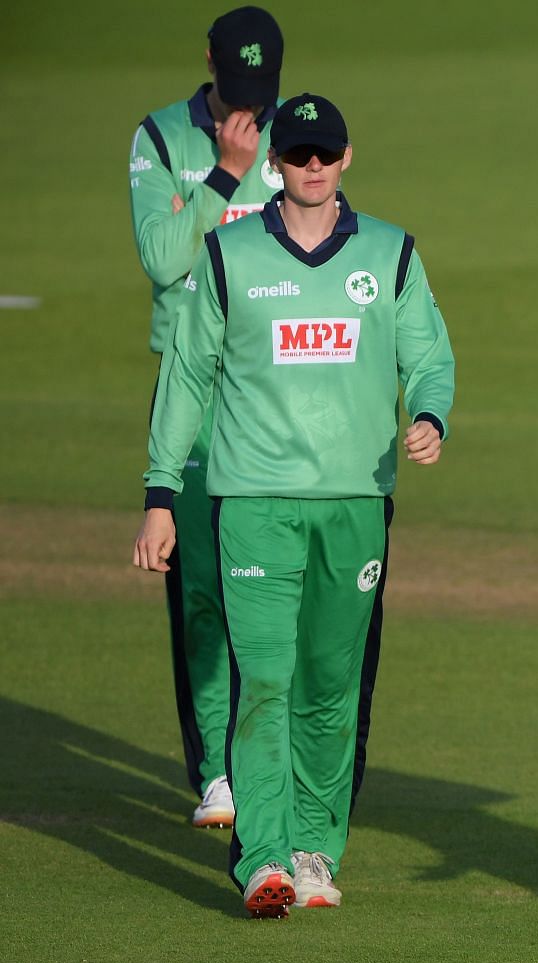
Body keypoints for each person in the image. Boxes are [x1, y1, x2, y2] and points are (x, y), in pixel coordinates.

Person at [132, 92, 455, 918]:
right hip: (253, 502)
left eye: (326, 154)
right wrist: (161, 493)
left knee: (329, 683)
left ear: (347, 158)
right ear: (275, 162)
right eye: (298, 155)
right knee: (266, 679)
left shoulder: (390, 253)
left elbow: (428, 353)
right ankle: (264, 858)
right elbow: (186, 377)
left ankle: (315, 850)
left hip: (356, 501)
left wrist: (428, 414)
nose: (312, 168)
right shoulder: (228, 253)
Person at [128, 5, 288, 829]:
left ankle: (267, 755)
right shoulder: (160, 139)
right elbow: (163, 258)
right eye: (238, 89)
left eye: (262, 93)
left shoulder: (289, 133)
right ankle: (217, 771)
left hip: (270, 389)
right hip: (192, 388)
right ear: (209, 65)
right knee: (201, 592)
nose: (249, 111)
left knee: (266, 583)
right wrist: (226, 176)